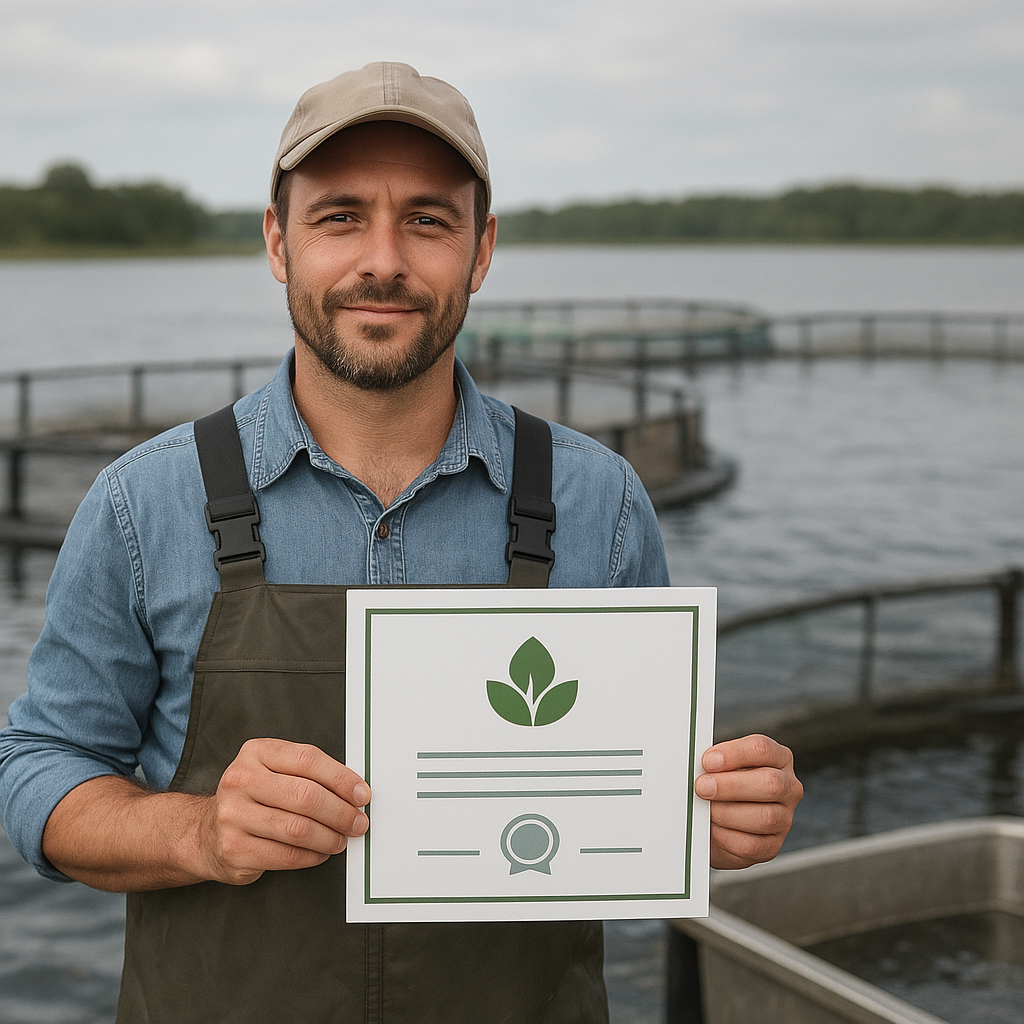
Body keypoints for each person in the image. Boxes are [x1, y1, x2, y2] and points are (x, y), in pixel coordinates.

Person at [0, 62, 802, 1022]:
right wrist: (200, 832)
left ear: (481, 249)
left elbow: (647, 794)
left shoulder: (601, 502)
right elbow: (40, 766)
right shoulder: (144, 501)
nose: (383, 261)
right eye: (340, 216)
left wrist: (716, 813)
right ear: (278, 241)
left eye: (427, 219)